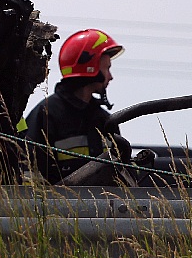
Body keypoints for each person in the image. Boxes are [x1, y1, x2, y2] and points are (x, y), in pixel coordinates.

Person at [19, 29, 128, 185]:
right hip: (57, 208)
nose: (111, 76)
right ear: (90, 67)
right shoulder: (47, 114)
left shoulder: (103, 120)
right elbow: (29, 173)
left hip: (103, 208)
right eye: (107, 68)